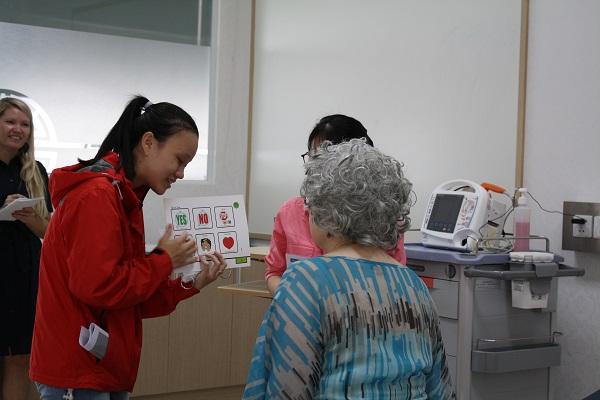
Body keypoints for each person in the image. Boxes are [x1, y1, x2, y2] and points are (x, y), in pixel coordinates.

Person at [29, 96, 227, 399]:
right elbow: (99, 287)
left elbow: (130, 296)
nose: (181, 172)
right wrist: (163, 259)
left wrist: (191, 282)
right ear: (148, 143)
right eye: (179, 159)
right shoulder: (97, 196)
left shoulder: (124, 196)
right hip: (78, 368)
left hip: (104, 367)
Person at [244, 139, 455, 399]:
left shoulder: (306, 282)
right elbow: (440, 390)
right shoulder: (414, 285)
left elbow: (288, 388)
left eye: (310, 207)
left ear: (328, 216)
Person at [265, 114, 407, 294]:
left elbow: (394, 280)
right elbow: (274, 272)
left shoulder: (383, 216)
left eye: (326, 157)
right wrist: (294, 299)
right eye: (312, 156)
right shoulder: (289, 212)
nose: (315, 167)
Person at [0, 97, 52, 400]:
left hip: (25, 275)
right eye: (10, 122)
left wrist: (30, 217)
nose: (18, 129)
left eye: (24, 124)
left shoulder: (35, 171)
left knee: (19, 358)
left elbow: (48, 232)